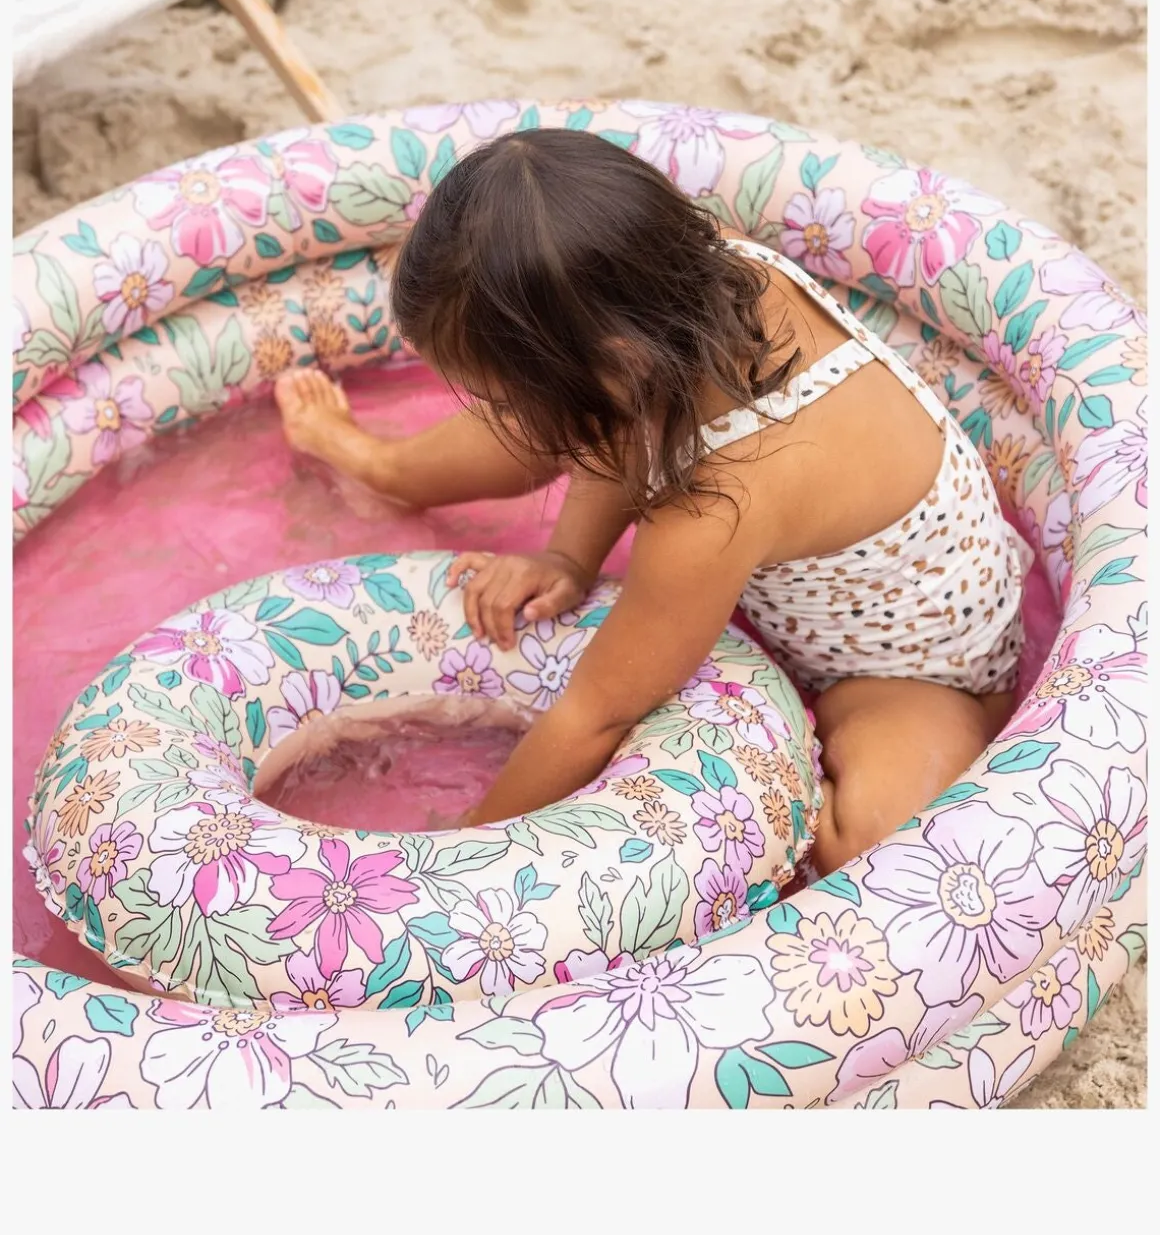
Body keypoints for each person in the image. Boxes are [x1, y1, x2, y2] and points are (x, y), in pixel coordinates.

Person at [275, 128, 1026, 873]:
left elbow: (596, 713)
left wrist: (460, 853)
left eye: (495, 397)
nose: (494, 411)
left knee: (875, 850)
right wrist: (571, 556)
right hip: (725, 493)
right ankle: (382, 463)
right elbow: (636, 417)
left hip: (908, 667)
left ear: (618, 363)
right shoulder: (700, 284)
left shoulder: (715, 503)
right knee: (551, 419)